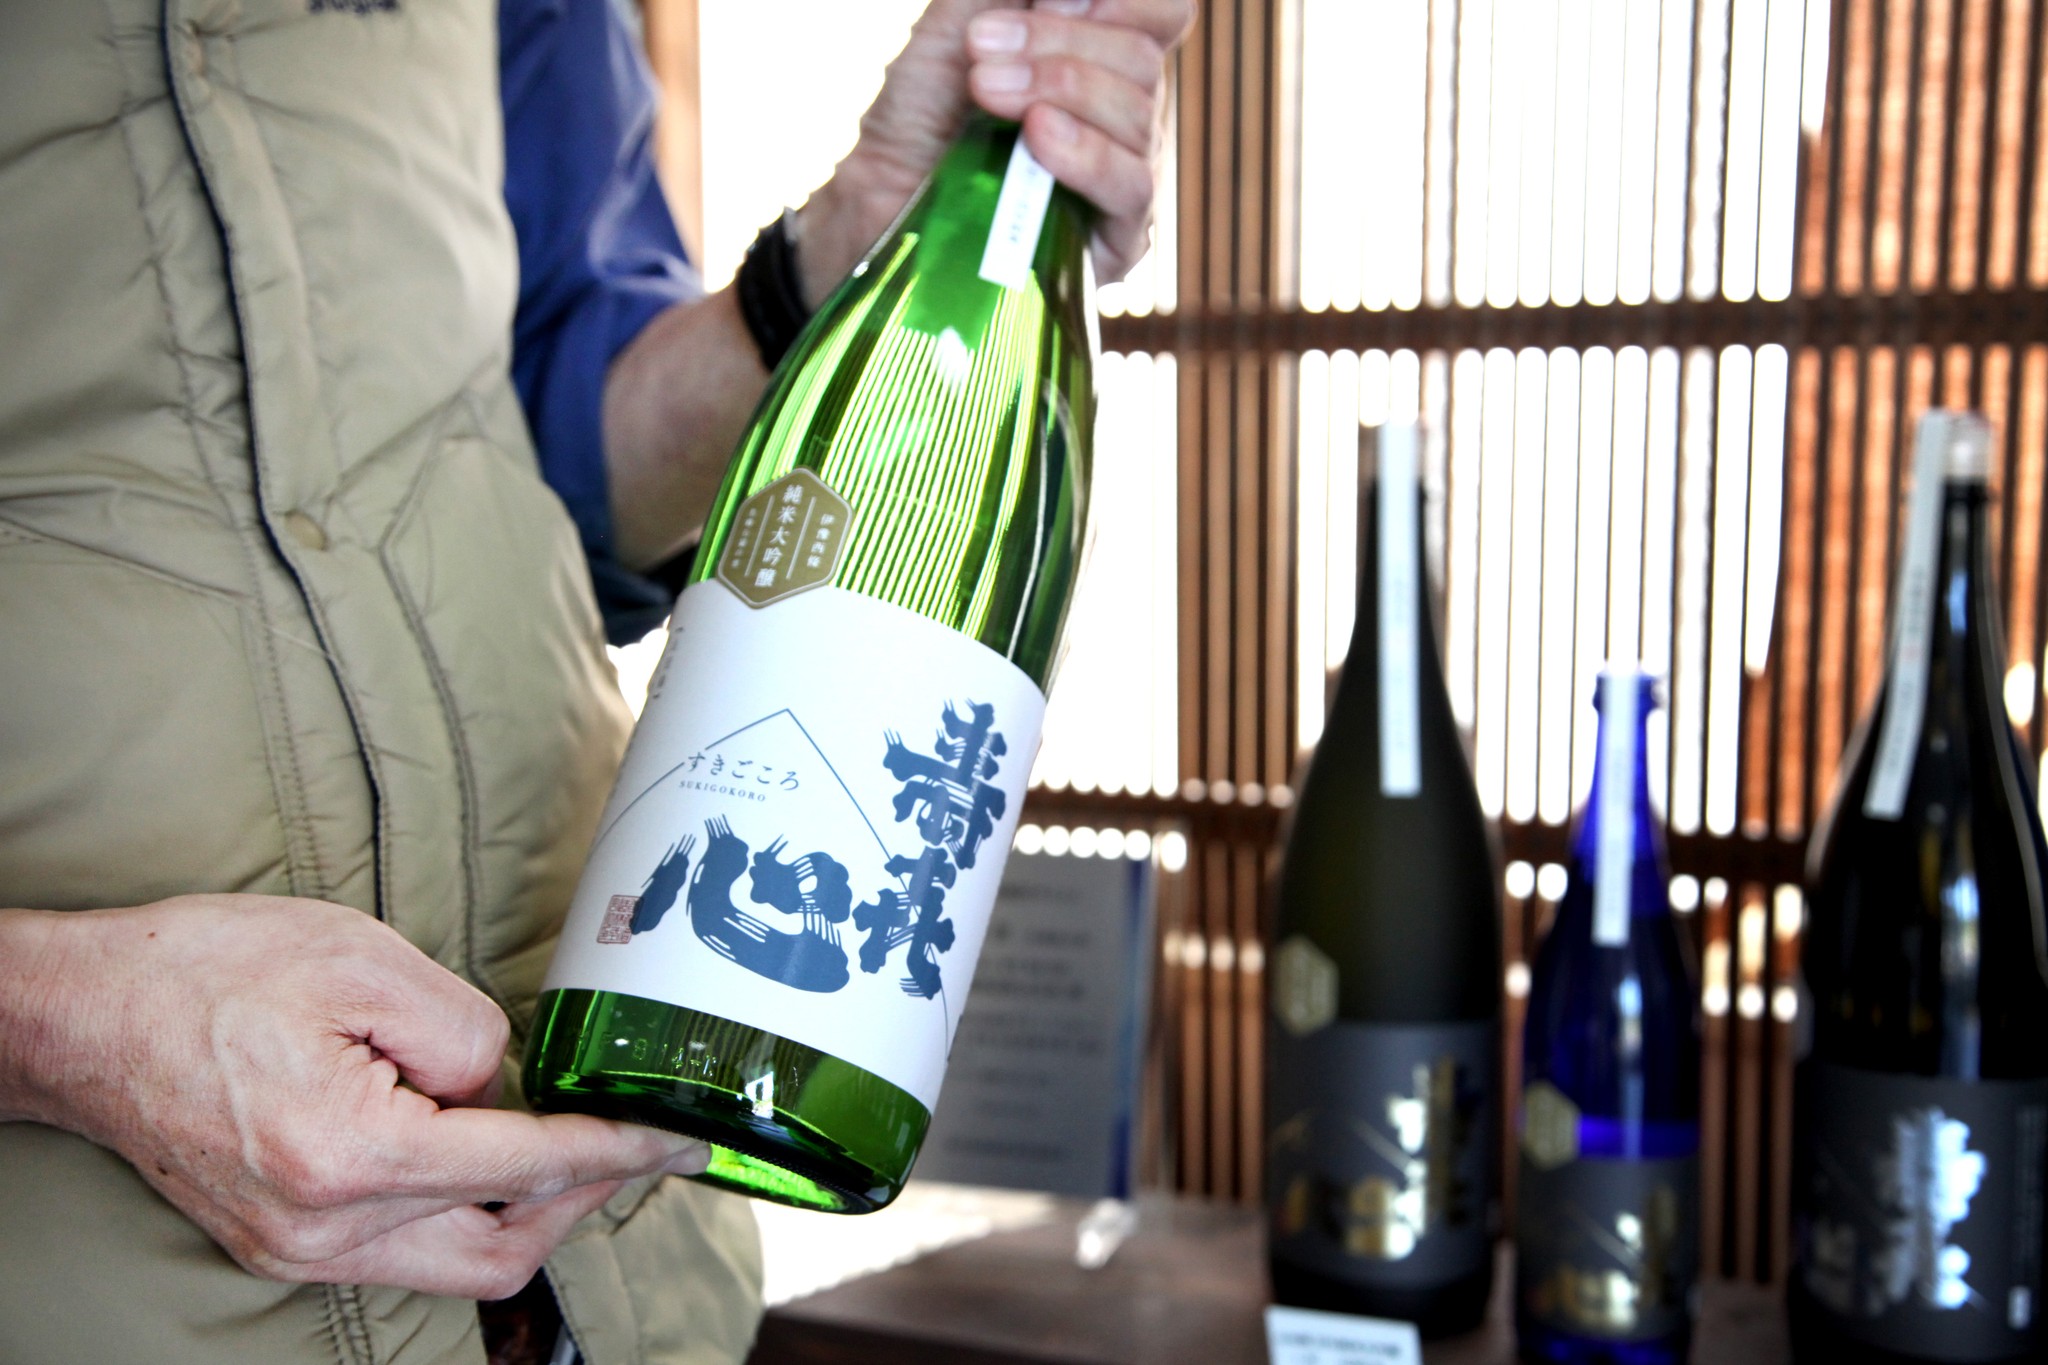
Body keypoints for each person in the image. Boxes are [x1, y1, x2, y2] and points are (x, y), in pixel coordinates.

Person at [0, 0, 1190, 1362]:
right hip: (95, 1287)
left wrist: (852, 233)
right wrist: (54, 1024)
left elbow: (572, 471)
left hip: (619, 1258)